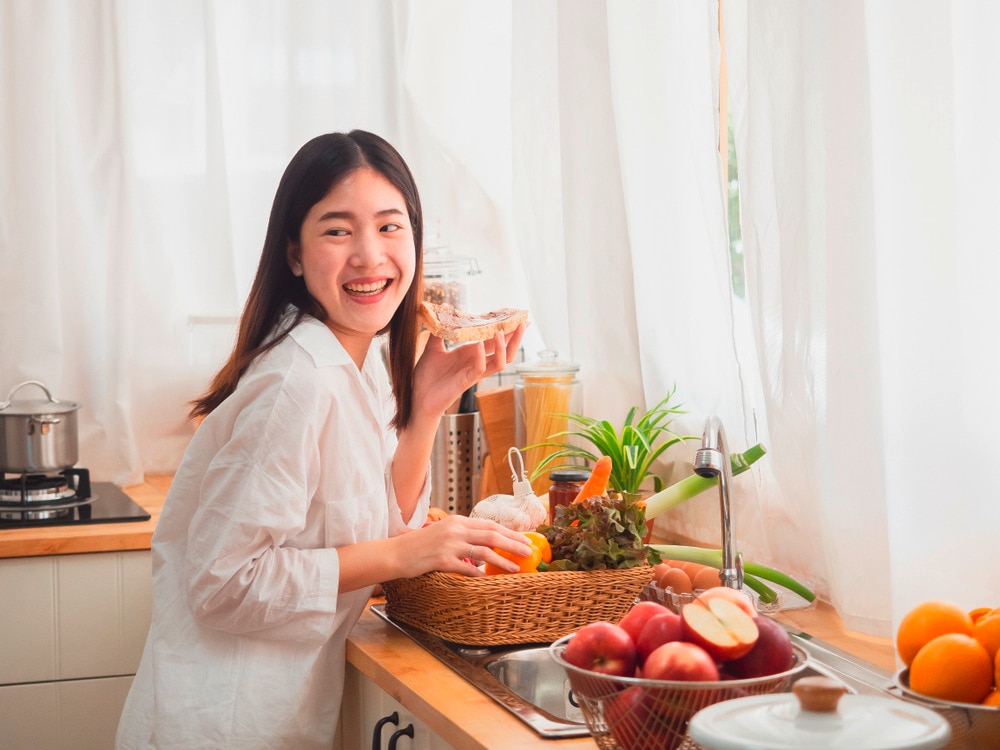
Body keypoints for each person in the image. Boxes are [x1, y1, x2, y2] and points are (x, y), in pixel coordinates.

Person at [116, 130, 530, 749]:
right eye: (338, 231)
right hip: (219, 727)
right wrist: (405, 555)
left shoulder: (348, 363)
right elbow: (223, 583)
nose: (370, 256)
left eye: (391, 227)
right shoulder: (297, 381)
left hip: (270, 716)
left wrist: (424, 410)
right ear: (294, 253)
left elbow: (369, 522)